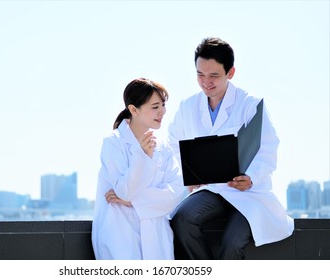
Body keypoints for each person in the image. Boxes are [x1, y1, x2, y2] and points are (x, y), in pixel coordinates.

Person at [168, 37, 294, 260]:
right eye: (200, 74)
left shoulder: (249, 104)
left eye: (214, 75)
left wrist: (251, 177)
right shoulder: (187, 107)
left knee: (233, 242)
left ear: (231, 72)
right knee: (182, 219)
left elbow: (268, 146)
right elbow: (173, 144)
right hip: (211, 190)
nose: (206, 82)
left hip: (248, 192)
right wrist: (188, 175)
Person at [92, 77, 186, 260]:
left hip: (157, 238)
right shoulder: (113, 143)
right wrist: (142, 156)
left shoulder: (164, 147)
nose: (162, 112)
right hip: (120, 236)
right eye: (155, 107)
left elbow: (176, 193)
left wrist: (134, 202)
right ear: (134, 110)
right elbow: (124, 191)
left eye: (163, 105)